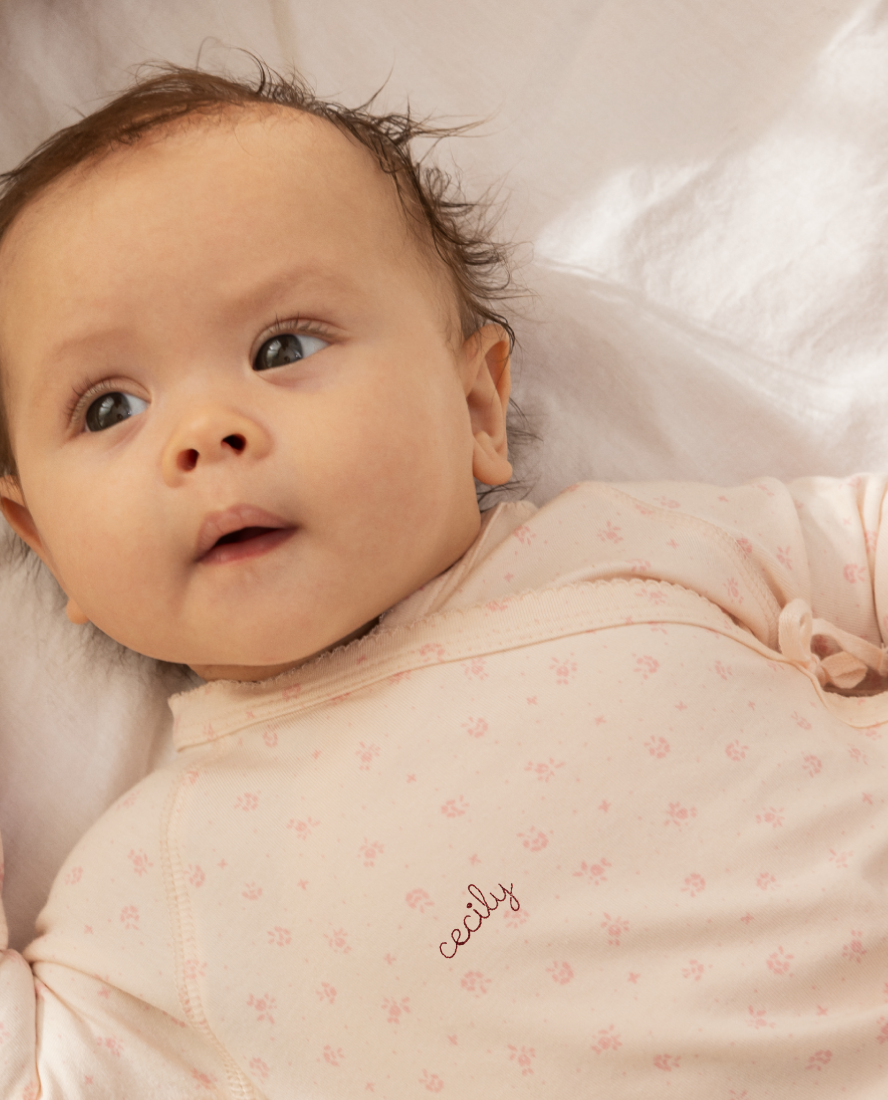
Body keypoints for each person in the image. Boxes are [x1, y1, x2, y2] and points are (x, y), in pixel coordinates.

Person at [0, 64, 887, 1098]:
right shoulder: (155, 898)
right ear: (44, 542)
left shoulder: (628, 544)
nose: (205, 433)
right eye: (109, 408)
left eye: (282, 347)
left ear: (475, 409)